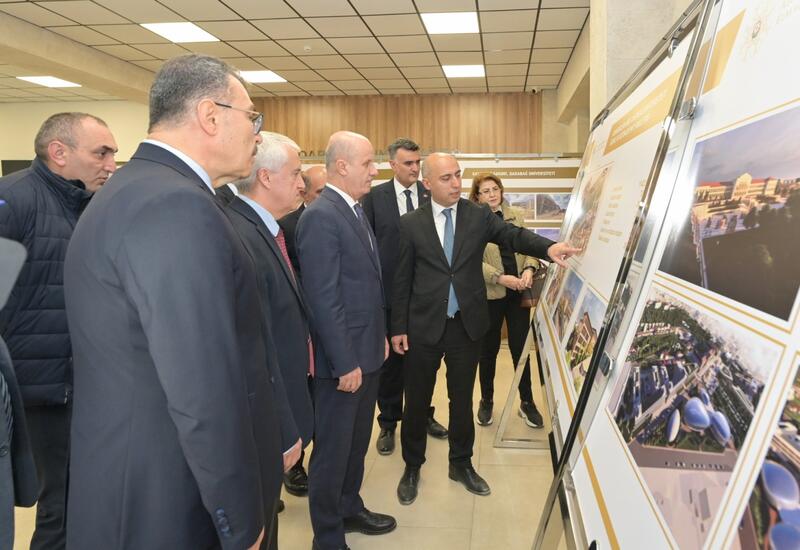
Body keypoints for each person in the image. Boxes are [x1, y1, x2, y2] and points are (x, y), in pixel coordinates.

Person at [63, 54, 282, 550]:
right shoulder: (175, 205)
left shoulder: (134, 190)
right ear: (210, 115)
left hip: (135, 478)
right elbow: (201, 384)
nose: (258, 134)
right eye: (252, 118)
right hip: (174, 497)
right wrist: (240, 518)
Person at [392, 153, 578, 505]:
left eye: (458, 176)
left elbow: (513, 234)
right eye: (446, 178)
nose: (455, 183)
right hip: (423, 327)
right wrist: (398, 327)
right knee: (416, 401)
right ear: (427, 183)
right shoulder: (409, 225)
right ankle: (412, 466)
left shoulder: (476, 216)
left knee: (461, 401)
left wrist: (549, 246)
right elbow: (400, 280)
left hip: (466, 324)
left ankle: (460, 463)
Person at [0, 111, 118, 550]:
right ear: (59, 152)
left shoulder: (91, 207)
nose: (110, 164)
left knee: (80, 500)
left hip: (84, 386)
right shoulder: (13, 202)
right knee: (59, 506)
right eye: (101, 152)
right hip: (36, 392)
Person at [296, 131, 396, 550]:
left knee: (356, 444)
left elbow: (364, 286)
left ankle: (349, 507)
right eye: (369, 163)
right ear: (342, 166)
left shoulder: (354, 210)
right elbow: (324, 298)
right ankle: (328, 535)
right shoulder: (321, 217)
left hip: (368, 351)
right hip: (344, 363)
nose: (375, 170)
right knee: (333, 452)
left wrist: (381, 337)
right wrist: (344, 361)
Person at [225, 132, 314, 503]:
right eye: (295, 173)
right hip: (264, 413)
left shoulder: (266, 228)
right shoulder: (243, 236)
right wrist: (281, 424)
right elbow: (254, 344)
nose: (302, 183)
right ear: (265, 177)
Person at [362, 137, 447, 456]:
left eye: (418, 162)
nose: (415, 168)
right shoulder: (374, 198)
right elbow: (368, 246)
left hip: (425, 293)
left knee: (424, 361)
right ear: (392, 165)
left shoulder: (431, 194)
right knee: (392, 364)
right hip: (389, 295)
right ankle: (388, 422)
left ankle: (422, 415)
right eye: (408, 163)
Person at [469, 173, 544, 428]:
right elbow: (470, 262)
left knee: (520, 350)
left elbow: (529, 249)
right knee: (487, 351)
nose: (491, 194)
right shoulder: (473, 221)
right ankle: (487, 401)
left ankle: (527, 402)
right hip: (491, 295)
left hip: (518, 295)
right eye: (485, 191)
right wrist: (500, 278)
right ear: (477, 196)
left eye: (495, 189)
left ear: (501, 191)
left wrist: (529, 269)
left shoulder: (516, 215)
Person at [279, 164, 326, 278]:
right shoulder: (286, 226)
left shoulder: (343, 220)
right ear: (304, 194)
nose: (328, 196)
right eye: (321, 192)